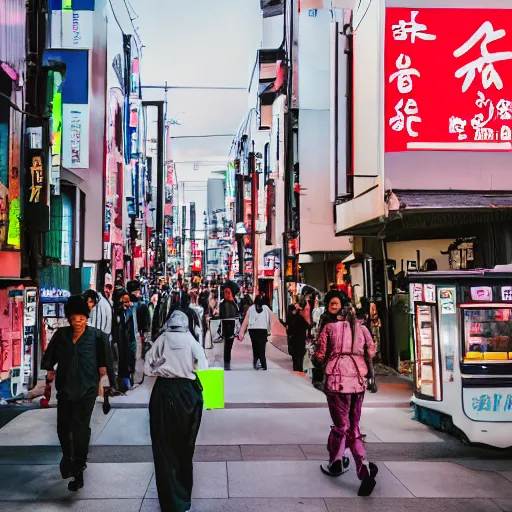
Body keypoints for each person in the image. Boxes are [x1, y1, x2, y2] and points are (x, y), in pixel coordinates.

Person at [41, 295, 109, 492]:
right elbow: (50, 360)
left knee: (80, 428)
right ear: (69, 318)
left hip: (87, 389)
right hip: (65, 388)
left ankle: (78, 467)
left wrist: (101, 384)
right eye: (74, 317)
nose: (78, 321)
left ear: (87, 318)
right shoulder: (61, 336)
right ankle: (68, 457)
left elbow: (104, 367)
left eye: (82, 318)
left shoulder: (96, 337)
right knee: (63, 427)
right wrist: (49, 375)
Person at [313, 300, 378, 497]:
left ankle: (337, 461)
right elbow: (372, 351)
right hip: (358, 382)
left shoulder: (329, 328)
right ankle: (360, 465)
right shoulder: (363, 329)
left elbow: (319, 355)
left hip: (336, 382)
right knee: (354, 427)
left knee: (341, 426)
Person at [145, 310, 208, 512]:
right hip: (186, 394)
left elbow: (147, 367)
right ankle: (183, 499)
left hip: (163, 393)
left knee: (163, 447)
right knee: (184, 446)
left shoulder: (161, 340)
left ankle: (169, 501)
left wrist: (161, 367)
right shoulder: (191, 341)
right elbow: (203, 368)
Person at [112, 289, 137, 390]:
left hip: (127, 341)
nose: (128, 303)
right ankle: (123, 384)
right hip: (121, 342)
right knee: (122, 363)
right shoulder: (118, 313)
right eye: (125, 301)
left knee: (127, 362)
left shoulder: (128, 312)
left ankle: (126, 383)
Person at [238, 296, 272, 370]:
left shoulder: (252, 308)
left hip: (254, 330)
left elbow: (246, 320)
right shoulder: (265, 308)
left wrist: (242, 332)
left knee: (256, 346)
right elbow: (270, 319)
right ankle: (263, 364)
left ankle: (257, 362)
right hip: (261, 329)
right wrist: (269, 330)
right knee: (261, 347)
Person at [286, 295, 311, 373]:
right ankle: (299, 371)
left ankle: (297, 371)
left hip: (295, 338)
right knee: (299, 357)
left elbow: (289, 327)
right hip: (300, 339)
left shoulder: (294, 315)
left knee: (296, 357)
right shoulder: (303, 316)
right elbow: (307, 326)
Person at [219, 288, 239, 371]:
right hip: (230, 325)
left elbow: (221, 314)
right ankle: (227, 363)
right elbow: (237, 312)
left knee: (227, 346)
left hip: (226, 325)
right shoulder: (233, 302)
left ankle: (226, 363)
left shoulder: (223, 303)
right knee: (228, 346)